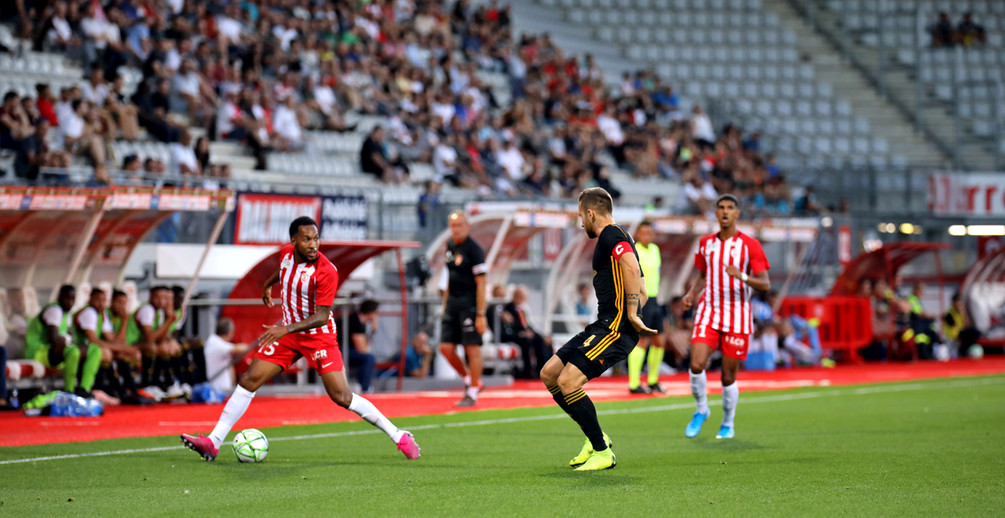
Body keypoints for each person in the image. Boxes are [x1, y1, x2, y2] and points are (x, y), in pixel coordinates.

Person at [182, 216, 420, 461]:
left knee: (342, 397)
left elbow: (322, 316)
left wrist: (285, 329)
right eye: (307, 239)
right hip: (289, 333)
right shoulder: (287, 254)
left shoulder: (326, 271)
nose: (313, 244)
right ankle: (213, 442)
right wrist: (267, 285)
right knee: (249, 378)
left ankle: (399, 436)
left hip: (318, 336)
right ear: (293, 241)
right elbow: (284, 268)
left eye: (316, 239)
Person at [540, 187, 656, 471]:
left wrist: (629, 312)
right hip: (603, 323)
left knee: (568, 382)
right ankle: (595, 439)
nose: (581, 223)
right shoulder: (621, 235)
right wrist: (634, 305)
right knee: (550, 374)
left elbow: (630, 266)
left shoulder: (610, 234)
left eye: (581, 216)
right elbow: (643, 288)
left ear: (591, 213)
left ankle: (602, 452)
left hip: (615, 326)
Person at [681, 194, 771, 440]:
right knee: (696, 364)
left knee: (728, 376)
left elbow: (764, 284)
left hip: (738, 314)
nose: (725, 212)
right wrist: (691, 294)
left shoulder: (750, 245)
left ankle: (728, 423)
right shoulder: (705, 243)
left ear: (737, 214)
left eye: (730, 208)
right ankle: (701, 410)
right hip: (709, 310)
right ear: (716, 212)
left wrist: (741, 276)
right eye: (720, 207)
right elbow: (702, 275)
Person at [438, 210, 489, 407]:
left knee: (472, 348)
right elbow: (450, 277)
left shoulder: (474, 250)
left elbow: (482, 283)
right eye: (453, 226)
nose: (456, 229)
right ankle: (470, 380)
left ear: (467, 227)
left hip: (470, 304)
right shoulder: (450, 245)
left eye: (459, 225)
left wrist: (481, 314)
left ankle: (473, 392)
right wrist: (445, 305)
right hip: (452, 303)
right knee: (445, 348)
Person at [24, 285, 102, 397]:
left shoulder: (67, 313)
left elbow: (70, 339)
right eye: (67, 298)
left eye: (72, 299)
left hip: (56, 353)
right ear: (59, 297)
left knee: (95, 350)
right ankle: (69, 391)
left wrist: (67, 340)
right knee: (73, 351)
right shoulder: (54, 310)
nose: (69, 303)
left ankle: (84, 389)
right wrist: (66, 340)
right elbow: (54, 340)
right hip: (38, 352)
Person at [627, 220, 666, 394]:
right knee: (642, 341)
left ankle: (652, 380)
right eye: (643, 233)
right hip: (642, 300)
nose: (647, 236)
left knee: (659, 341)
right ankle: (634, 383)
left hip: (655, 298)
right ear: (638, 234)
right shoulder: (635, 251)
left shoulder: (655, 250)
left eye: (650, 233)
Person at [202, 317, 249, 394]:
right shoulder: (215, 343)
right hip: (216, 391)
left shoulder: (216, 342)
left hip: (221, 390)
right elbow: (241, 348)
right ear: (230, 333)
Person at [348, 299, 379, 393]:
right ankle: (365, 388)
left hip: (348, 349)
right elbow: (362, 348)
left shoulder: (361, 322)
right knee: (368, 358)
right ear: (371, 313)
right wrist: (373, 331)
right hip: (341, 350)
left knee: (368, 357)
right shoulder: (355, 320)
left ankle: (365, 386)